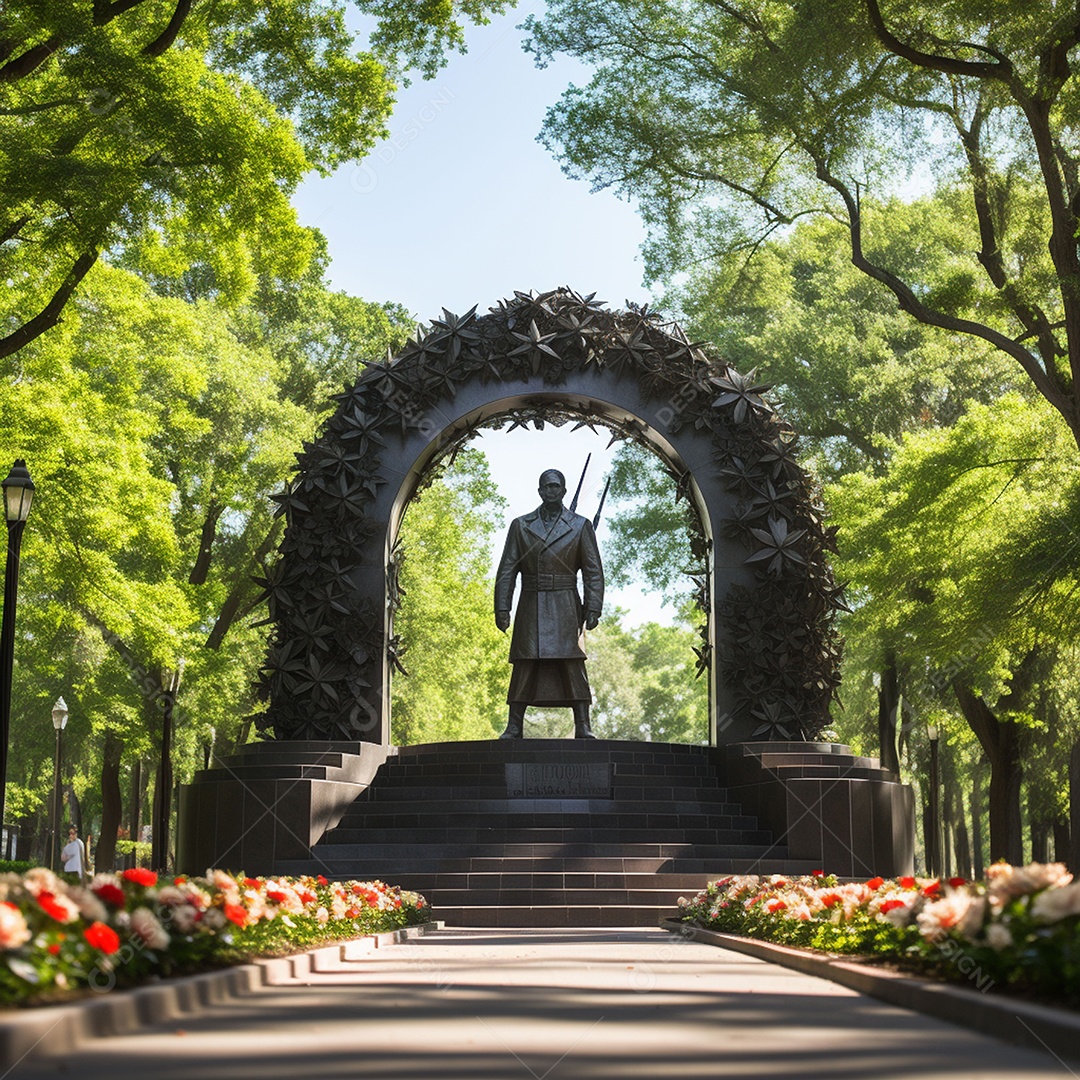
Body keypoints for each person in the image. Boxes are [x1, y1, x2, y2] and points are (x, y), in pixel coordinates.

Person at [494, 468, 604, 739]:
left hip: (566, 603)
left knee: (572, 662)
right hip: (531, 601)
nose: (551, 491)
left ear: (564, 491)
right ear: (539, 491)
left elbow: (593, 570)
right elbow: (508, 568)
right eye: (546, 487)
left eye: (556, 487)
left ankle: (583, 725)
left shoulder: (580, 525)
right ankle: (514, 725)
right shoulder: (521, 525)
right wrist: (502, 606)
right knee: (525, 662)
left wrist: (593, 606)